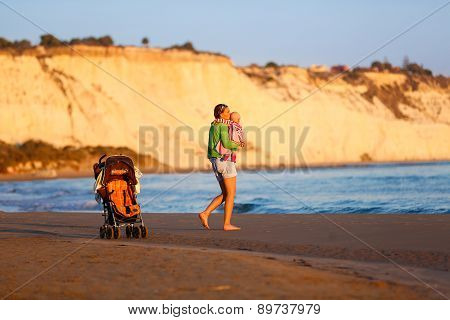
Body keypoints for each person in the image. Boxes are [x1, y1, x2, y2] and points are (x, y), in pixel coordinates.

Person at [199, 104, 245, 231]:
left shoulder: (213, 125)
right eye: (227, 112)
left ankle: (205, 213)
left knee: (225, 193)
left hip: (215, 161)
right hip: (225, 160)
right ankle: (227, 224)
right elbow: (226, 143)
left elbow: (212, 145)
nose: (229, 114)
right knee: (231, 194)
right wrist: (238, 144)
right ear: (220, 114)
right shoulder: (224, 126)